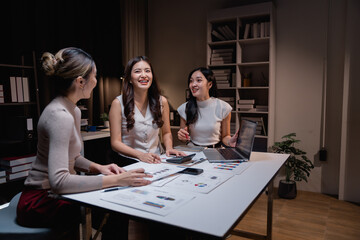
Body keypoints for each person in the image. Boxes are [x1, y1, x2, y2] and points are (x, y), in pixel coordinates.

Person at [16, 47, 152, 239]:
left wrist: (100, 168)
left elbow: (74, 157)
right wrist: (116, 180)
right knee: (111, 203)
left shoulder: (74, 110)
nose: (96, 82)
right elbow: (59, 182)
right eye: (94, 76)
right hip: (39, 199)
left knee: (110, 200)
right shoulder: (59, 115)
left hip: (54, 194)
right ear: (81, 81)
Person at [109, 56, 185, 165]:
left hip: (157, 159)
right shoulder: (118, 103)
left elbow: (167, 132)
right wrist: (140, 155)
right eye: (137, 71)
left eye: (147, 71)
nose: (143, 75)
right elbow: (115, 143)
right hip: (129, 162)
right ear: (130, 79)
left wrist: (169, 148)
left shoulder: (162, 101)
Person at [177, 67, 238, 148]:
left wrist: (230, 142)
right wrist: (182, 137)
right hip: (193, 151)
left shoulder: (224, 107)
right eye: (191, 81)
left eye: (198, 80)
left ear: (209, 84)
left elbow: (225, 136)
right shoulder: (184, 108)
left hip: (215, 151)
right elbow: (184, 139)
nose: (193, 84)